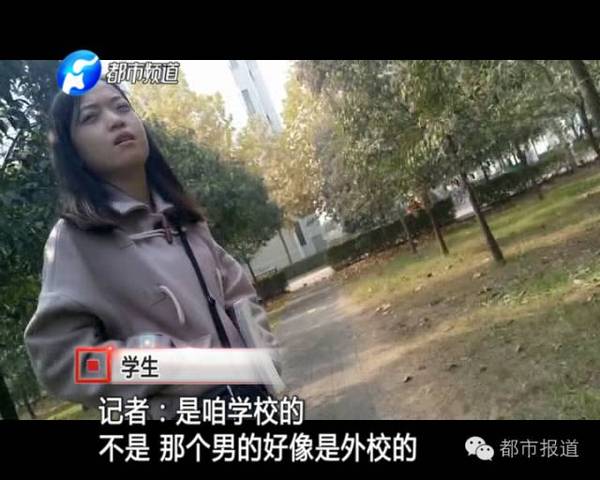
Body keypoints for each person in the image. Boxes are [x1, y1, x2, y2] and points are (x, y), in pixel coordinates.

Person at [23, 79, 281, 420]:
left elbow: (240, 296)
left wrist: (265, 361)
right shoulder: (74, 239)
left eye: (122, 107)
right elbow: (62, 361)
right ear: (73, 152)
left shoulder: (186, 222)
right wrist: (163, 360)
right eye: (90, 117)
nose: (115, 120)